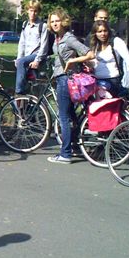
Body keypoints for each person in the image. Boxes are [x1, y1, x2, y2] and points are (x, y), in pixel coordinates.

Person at [47, 8, 89, 164]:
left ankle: (65, 153)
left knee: (63, 117)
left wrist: (73, 61)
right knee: (71, 115)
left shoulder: (69, 38)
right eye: (52, 21)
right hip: (60, 77)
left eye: (57, 20)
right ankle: (75, 146)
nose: (54, 24)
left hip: (66, 79)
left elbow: (88, 52)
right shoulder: (58, 38)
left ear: (63, 21)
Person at [64, 20, 129, 97]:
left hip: (112, 80)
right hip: (96, 79)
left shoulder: (116, 42)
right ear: (95, 33)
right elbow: (94, 63)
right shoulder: (94, 44)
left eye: (105, 31)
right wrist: (87, 63)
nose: (103, 34)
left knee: (101, 101)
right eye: (99, 32)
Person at [15, 0, 49, 95]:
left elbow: (44, 46)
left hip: (37, 55)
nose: (33, 13)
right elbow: (22, 43)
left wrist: (37, 60)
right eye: (31, 10)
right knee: (27, 83)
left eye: (35, 11)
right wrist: (19, 58)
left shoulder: (43, 26)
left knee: (34, 87)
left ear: (38, 12)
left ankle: (18, 91)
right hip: (27, 56)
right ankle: (23, 103)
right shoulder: (25, 24)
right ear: (27, 11)